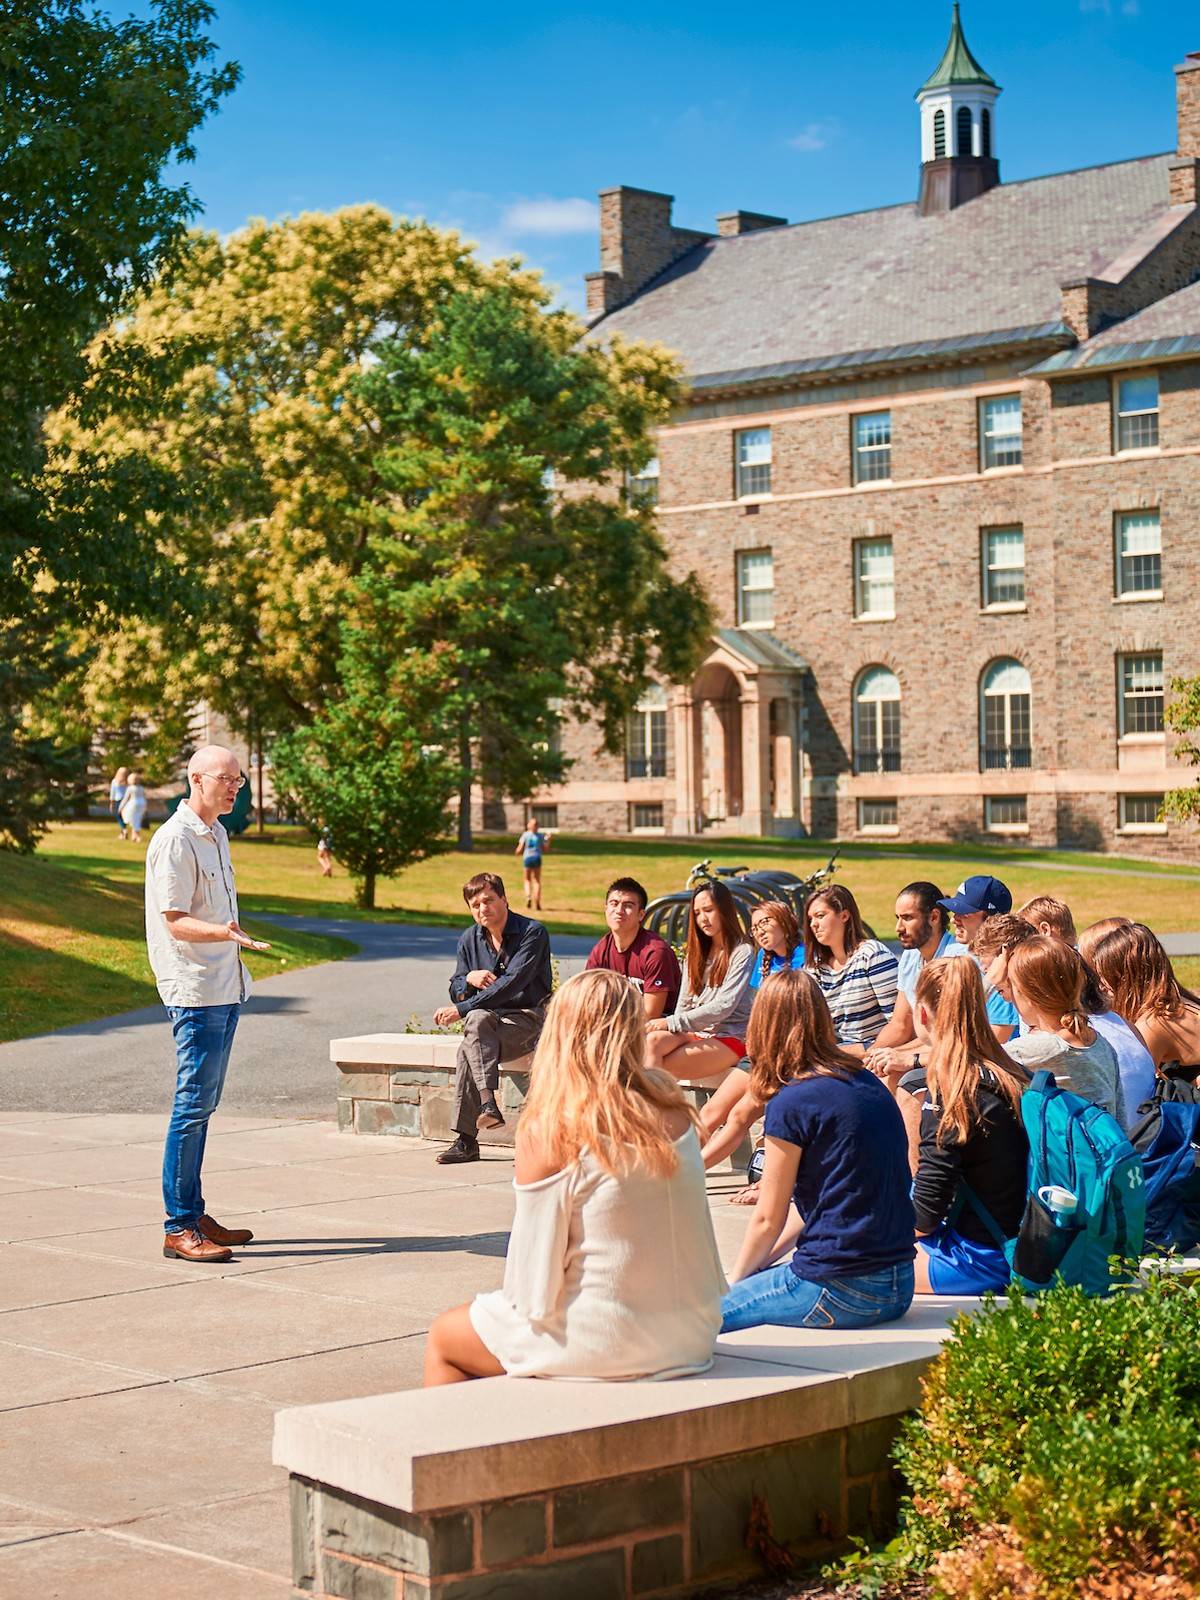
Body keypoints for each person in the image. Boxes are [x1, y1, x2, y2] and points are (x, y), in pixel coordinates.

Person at [424, 969, 726, 1383]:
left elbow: (530, 1285)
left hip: (606, 1341)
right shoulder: (674, 1109)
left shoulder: (552, 1125)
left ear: (561, 1031)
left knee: (445, 1338)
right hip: (693, 1331)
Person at [719, 970, 915, 1333]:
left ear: (762, 1026)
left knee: (699, 1319)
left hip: (838, 1288)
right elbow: (816, 1210)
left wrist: (735, 1284)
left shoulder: (793, 1101)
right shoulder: (867, 1082)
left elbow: (767, 1219)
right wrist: (757, 1270)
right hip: (898, 1283)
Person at [146, 745, 269, 1263]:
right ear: (197, 779)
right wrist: (224, 933)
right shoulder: (174, 840)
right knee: (192, 1105)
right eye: (227, 779)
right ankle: (178, 1227)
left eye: (239, 780)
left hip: (225, 986)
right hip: (195, 991)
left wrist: (229, 942)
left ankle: (193, 1213)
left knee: (204, 1106)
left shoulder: (216, 832)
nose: (235, 787)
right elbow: (173, 919)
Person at [910, 958, 1030, 1295]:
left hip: (981, 1258)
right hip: (1023, 1241)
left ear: (922, 1014)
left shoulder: (953, 1090)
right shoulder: (1013, 1074)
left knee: (854, 1264)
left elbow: (924, 1215)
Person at [433, 873, 553, 1165]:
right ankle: (487, 1106)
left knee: (470, 1041)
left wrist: (462, 1009)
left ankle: (466, 1140)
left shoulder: (532, 933)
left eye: (488, 900)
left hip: (530, 1019)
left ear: (504, 899)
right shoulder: (469, 939)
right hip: (489, 1023)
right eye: (475, 904)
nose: (482, 908)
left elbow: (512, 984)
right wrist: (469, 979)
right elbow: (455, 987)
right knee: (475, 1026)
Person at [1000, 936, 1122, 1120]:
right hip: (1110, 1146)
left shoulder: (1039, 1048)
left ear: (1030, 996)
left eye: (1012, 987)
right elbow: (1120, 1117)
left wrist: (990, 982)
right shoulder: (1101, 1043)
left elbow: (968, 1059)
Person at [644, 879, 754, 1081]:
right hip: (695, 1031)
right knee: (651, 1043)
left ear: (724, 910)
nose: (703, 918)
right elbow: (684, 1002)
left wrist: (670, 1022)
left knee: (658, 1068)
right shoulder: (695, 953)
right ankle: (651, 1109)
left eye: (709, 910)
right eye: (697, 913)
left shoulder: (742, 951)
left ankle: (652, 1111)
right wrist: (673, 1026)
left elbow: (724, 1006)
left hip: (730, 1036)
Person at [1080, 920, 1200, 1078]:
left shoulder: (1152, 1025)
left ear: (1124, 979)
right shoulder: (1181, 1000)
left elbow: (1135, 1086)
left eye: (1104, 977)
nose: (1102, 985)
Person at [803, 885, 898, 1055]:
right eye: (810, 919)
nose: (813, 924)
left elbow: (899, 1024)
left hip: (873, 1054)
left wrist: (864, 1053)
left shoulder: (872, 956)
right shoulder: (814, 967)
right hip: (831, 1055)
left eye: (820, 916)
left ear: (844, 916)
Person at [584, 877, 681, 1018]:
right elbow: (588, 997)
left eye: (628, 905)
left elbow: (652, 1013)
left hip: (660, 1025)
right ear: (606, 909)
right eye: (614, 903)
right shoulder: (601, 950)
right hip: (615, 1021)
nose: (619, 910)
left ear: (641, 915)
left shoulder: (655, 952)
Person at [936, 875, 1020, 1039]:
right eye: (954, 912)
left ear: (990, 918)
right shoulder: (965, 958)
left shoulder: (1003, 970)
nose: (954, 919)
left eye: (964, 913)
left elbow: (995, 1044)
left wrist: (915, 1060)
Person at [748, 900, 806, 989]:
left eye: (764, 922)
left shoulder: (806, 954)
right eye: (754, 929)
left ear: (783, 921)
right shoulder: (762, 955)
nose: (759, 932)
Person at [514, 818, 549, 911]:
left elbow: (520, 848)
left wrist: (517, 852)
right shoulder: (540, 836)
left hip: (527, 858)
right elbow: (545, 849)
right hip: (537, 857)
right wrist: (548, 840)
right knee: (537, 880)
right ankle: (537, 901)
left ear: (529, 825)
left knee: (527, 880)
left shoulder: (525, 835)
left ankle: (528, 896)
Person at [120, 770, 147, 843]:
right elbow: (144, 797)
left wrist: (121, 807)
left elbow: (126, 798)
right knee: (137, 819)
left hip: (133, 804)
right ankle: (134, 836)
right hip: (141, 804)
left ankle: (137, 836)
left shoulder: (130, 788)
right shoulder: (141, 788)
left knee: (133, 819)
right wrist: (145, 807)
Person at [110, 766, 129, 840]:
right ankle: (123, 832)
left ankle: (124, 830)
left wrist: (111, 803)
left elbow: (112, 792)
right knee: (125, 817)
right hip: (127, 801)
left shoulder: (115, 781)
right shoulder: (128, 782)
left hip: (118, 800)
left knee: (119, 817)